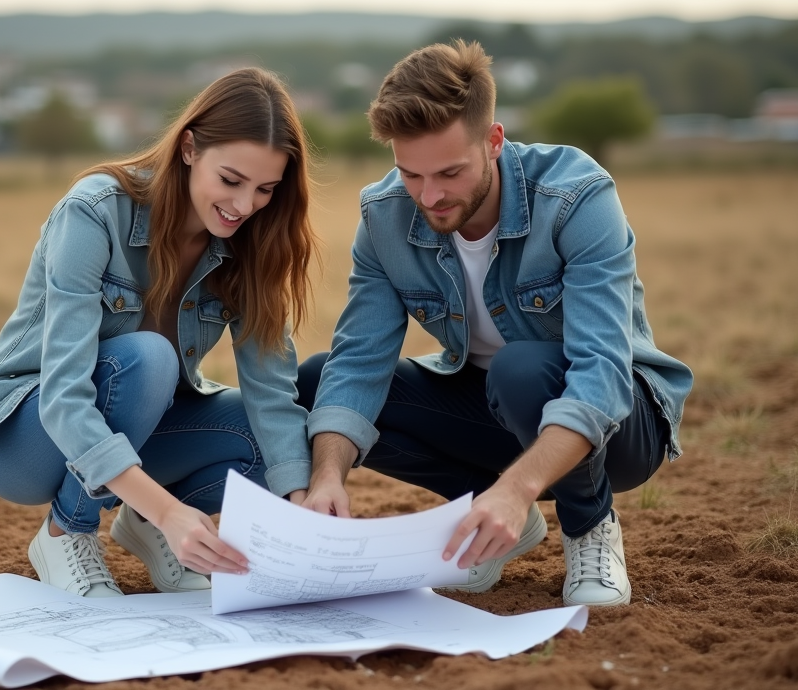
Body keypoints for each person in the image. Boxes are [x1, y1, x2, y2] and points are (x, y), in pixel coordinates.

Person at [296, 41, 693, 608]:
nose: (429, 195)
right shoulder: (384, 214)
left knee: (522, 368)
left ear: (494, 140)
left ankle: (590, 526)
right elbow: (359, 361)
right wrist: (329, 475)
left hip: (621, 427)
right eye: (411, 173)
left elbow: (602, 374)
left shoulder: (577, 196)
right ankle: (494, 513)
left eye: (450, 172)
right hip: (491, 411)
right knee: (318, 386)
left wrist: (520, 484)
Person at [0, 67, 318, 598]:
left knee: (278, 443)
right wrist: (173, 509)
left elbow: (271, 391)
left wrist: (300, 514)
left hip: (136, 433)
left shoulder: (252, 242)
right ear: (190, 148)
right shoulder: (94, 211)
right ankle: (66, 532)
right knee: (149, 361)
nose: (245, 206)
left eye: (266, 189)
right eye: (231, 180)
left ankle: (147, 527)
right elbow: (63, 399)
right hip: (24, 437)